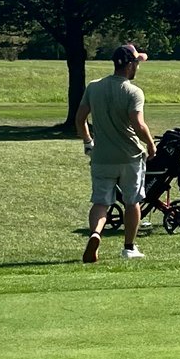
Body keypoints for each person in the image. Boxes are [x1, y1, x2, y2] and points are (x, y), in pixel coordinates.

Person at [74, 43, 156, 263]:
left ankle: (95, 233)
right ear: (129, 65)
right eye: (136, 62)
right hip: (129, 156)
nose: (137, 66)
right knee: (132, 201)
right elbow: (138, 124)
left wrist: (88, 142)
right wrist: (150, 144)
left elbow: (80, 119)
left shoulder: (94, 87)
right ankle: (129, 247)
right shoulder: (133, 92)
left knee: (101, 202)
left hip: (102, 156)